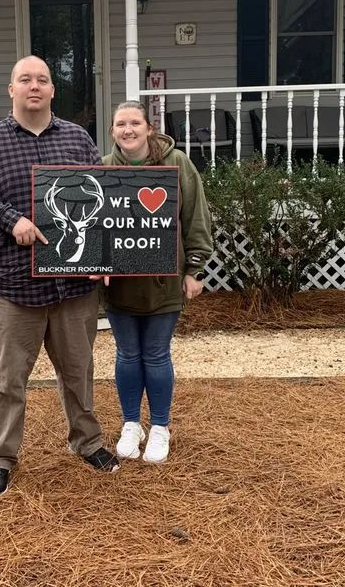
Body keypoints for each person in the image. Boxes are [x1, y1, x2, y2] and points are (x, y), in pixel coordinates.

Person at [0, 55, 120, 498]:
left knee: (79, 371)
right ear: (12, 90)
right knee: (7, 379)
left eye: (42, 80)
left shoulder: (78, 138)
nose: (34, 86)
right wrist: (10, 220)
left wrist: (101, 257)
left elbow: (102, 198)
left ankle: (88, 442)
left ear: (52, 90)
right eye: (25, 79)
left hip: (72, 286)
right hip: (12, 284)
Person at [101, 100, 213, 464]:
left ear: (149, 128)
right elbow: (96, 224)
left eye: (135, 123)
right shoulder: (103, 168)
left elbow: (195, 216)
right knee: (127, 353)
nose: (128, 130)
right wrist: (95, 260)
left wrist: (195, 268)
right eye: (121, 124)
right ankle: (132, 423)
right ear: (112, 130)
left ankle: (161, 426)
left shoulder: (176, 162)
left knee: (156, 353)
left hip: (164, 279)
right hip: (119, 283)